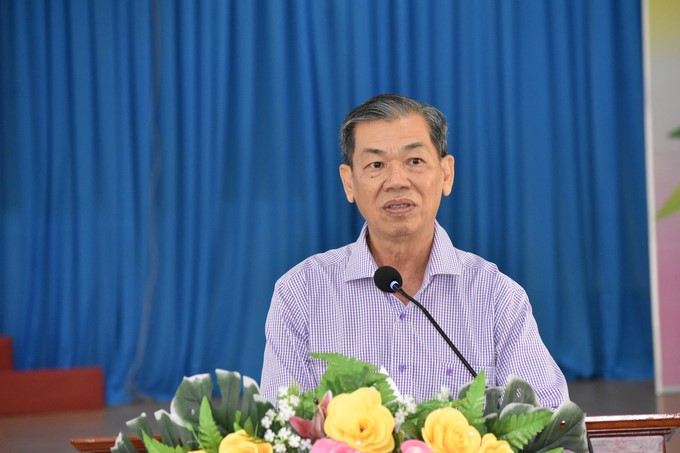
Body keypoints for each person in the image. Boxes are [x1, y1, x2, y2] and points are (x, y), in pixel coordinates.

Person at [260, 93, 568, 408]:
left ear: (446, 174)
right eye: (376, 164)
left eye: (415, 161)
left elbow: (549, 425)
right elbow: (280, 426)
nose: (397, 181)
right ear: (349, 182)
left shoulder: (496, 297)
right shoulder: (301, 294)